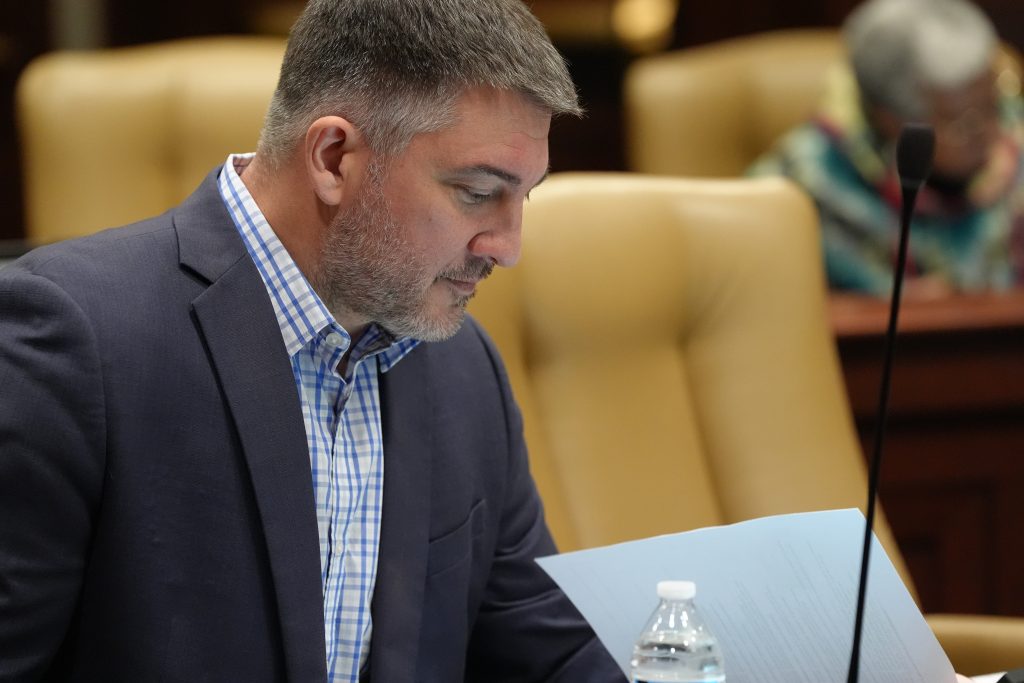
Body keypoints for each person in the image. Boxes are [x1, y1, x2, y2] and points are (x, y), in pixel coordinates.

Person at [0, 0, 625, 680]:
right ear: (333, 158)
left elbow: (547, 655)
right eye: (477, 192)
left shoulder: (464, 367)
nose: (508, 248)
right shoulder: (73, 339)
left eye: (523, 196)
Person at [749, 0, 1024, 298]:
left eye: (994, 104)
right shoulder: (803, 184)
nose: (994, 132)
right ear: (892, 121)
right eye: (963, 123)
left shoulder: (1014, 132)